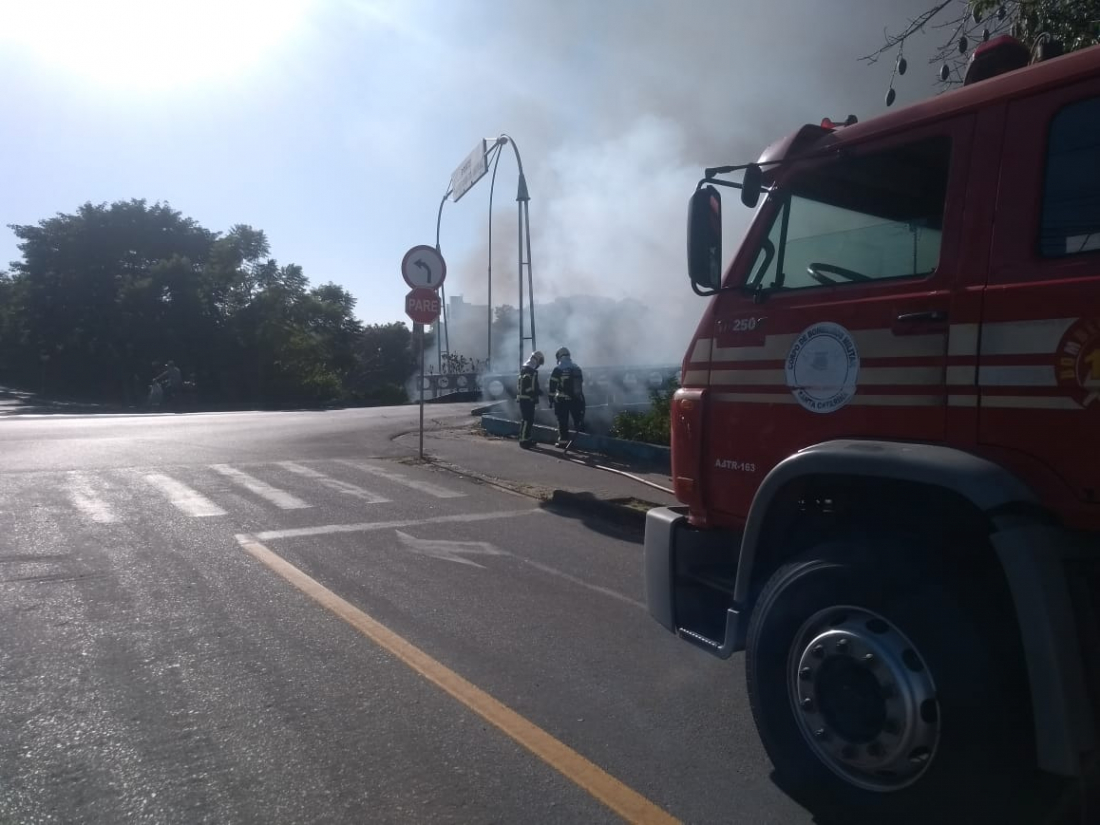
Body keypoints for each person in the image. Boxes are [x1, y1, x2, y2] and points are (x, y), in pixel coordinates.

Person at [548, 346, 585, 447]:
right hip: (576, 399)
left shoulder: (558, 369)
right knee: (578, 420)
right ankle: (581, 442)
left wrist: (550, 399)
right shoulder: (576, 367)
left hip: (562, 400)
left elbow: (552, 386)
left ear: (559, 356)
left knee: (562, 421)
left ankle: (563, 442)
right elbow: (580, 383)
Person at [516, 350, 544, 448]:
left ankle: (525, 437)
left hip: (523, 398)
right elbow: (532, 387)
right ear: (537, 360)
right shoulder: (532, 371)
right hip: (528, 399)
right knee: (528, 419)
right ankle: (524, 440)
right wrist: (539, 392)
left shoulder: (524, 368)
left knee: (526, 419)